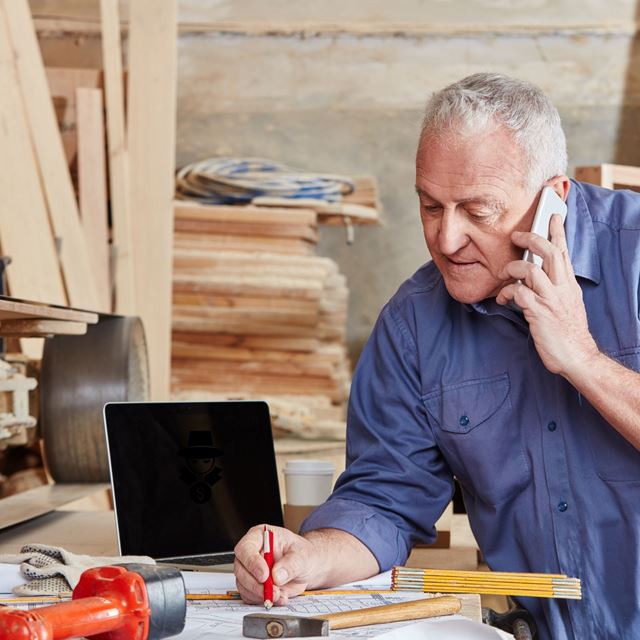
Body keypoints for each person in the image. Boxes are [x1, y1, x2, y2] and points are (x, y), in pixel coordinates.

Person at [233, 73, 640, 639]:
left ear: (555, 198)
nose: (447, 240)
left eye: (477, 211)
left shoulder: (637, 258)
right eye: (431, 207)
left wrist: (583, 358)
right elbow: (384, 501)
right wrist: (309, 557)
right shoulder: (413, 326)